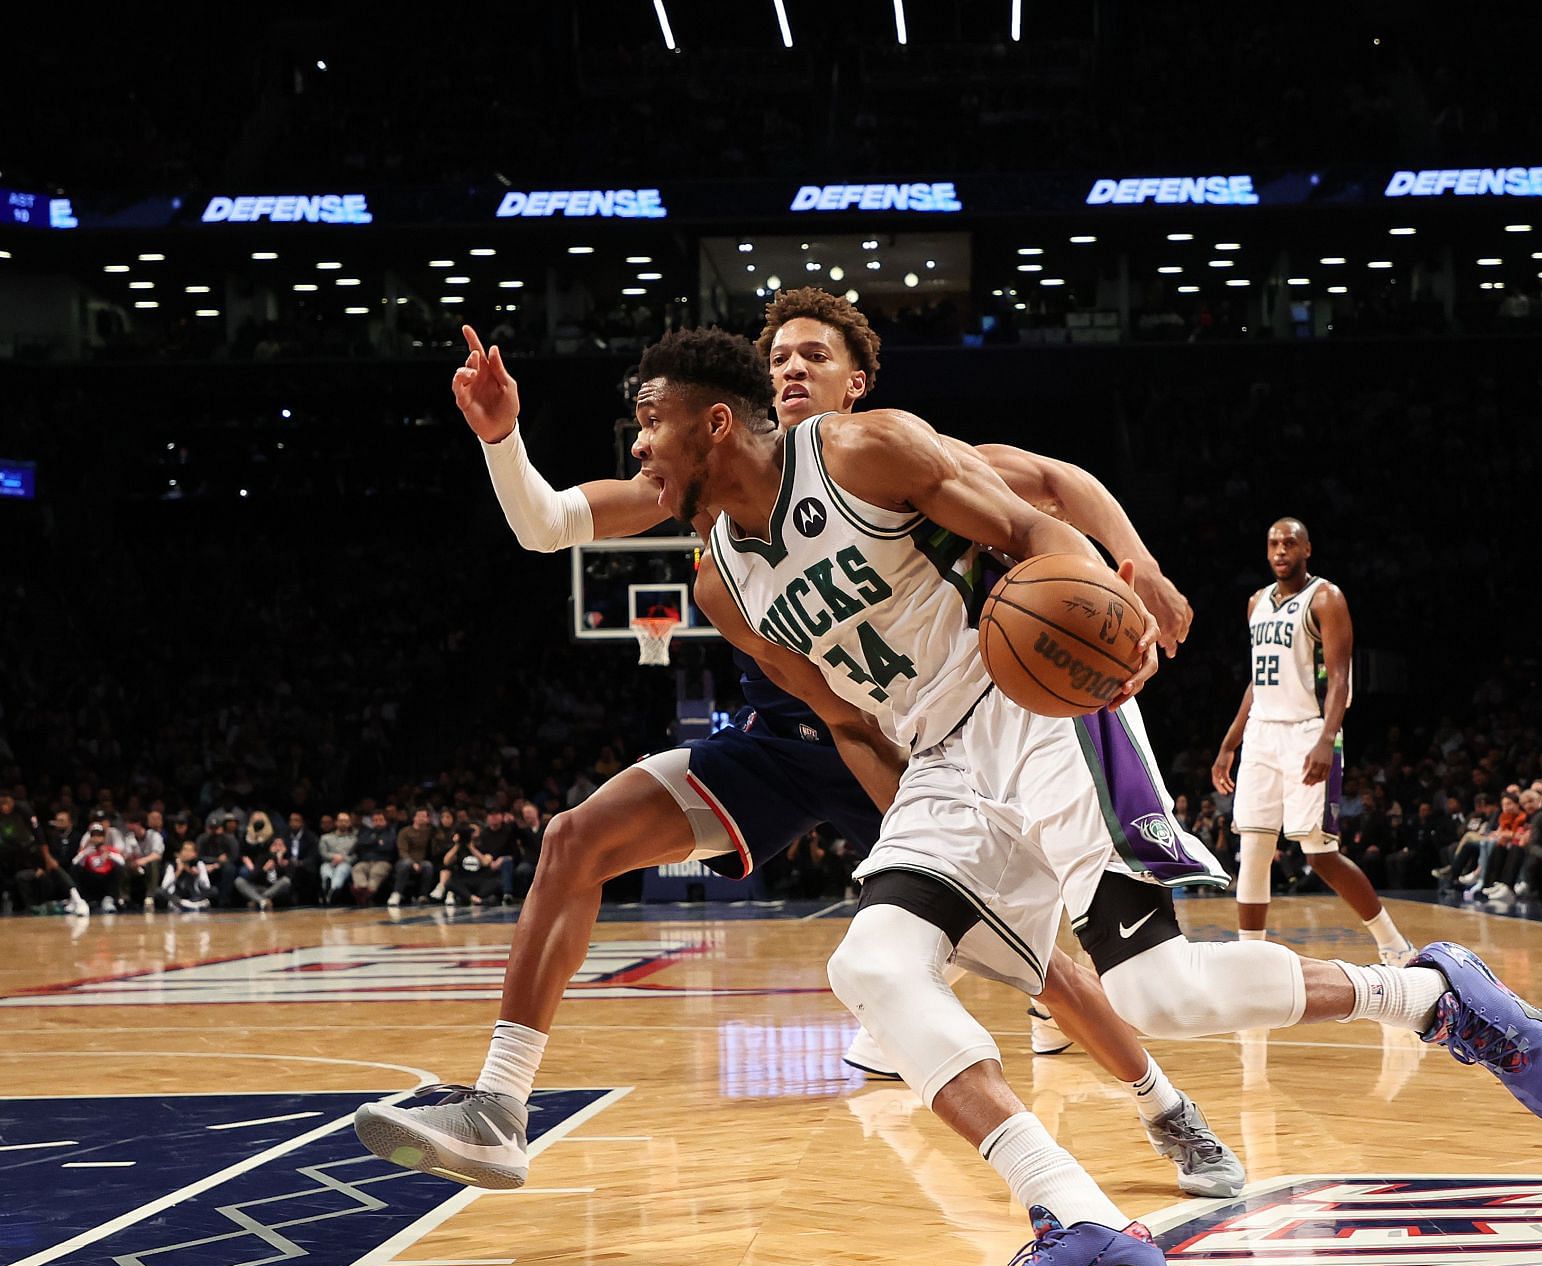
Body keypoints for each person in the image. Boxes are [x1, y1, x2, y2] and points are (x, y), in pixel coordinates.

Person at [391, 325, 1542, 1266]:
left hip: (1043, 706)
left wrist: (1102, 631)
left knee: (1152, 990)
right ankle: (1087, 1229)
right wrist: (917, 828)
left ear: (713, 424)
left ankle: (1423, 997)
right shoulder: (719, 586)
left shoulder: (862, 448)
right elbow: (848, 716)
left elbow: (1035, 524)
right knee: (872, 964)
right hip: (945, 759)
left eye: (646, 423)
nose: (635, 448)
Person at [358, 300, 1247, 1212]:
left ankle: (1164, 1104)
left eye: (810, 357)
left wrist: (1131, 577)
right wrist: (505, 439)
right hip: (795, 738)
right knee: (576, 838)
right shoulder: (709, 521)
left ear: (853, 384)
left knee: (1034, 962)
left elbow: (1053, 493)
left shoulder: (881, 454)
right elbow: (547, 521)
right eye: (774, 356)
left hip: (922, 736)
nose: (787, 369)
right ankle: (503, 1103)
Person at [1212, 519, 1415, 963]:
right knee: (1254, 849)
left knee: (1320, 854)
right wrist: (1230, 742)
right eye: (1273, 544)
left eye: (1289, 543)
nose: (1280, 550)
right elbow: (1256, 681)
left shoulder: (1326, 598)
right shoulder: (1255, 603)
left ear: (1306, 549)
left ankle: (1394, 945)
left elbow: (1341, 678)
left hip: (1307, 731)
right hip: (1262, 735)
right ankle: (1252, 959)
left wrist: (1327, 739)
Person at [393, 807, 437, 904]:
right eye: (419, 816)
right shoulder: (405, 831)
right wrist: (413, 863)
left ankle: (423, 895)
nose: (422, 818)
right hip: (405, 860)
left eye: (424, 816)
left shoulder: (430, 832)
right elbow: (402, 851)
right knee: (405, 864)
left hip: (421, 862)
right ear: (414, 818)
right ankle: (396, 893)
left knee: (428, 866)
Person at [318, 811, 356, 904]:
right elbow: (322, 853)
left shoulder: (354, 839)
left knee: (341, 871)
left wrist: (342, 858)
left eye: (346, 821)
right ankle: (328, 888)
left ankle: (333, 890)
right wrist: (334, 857)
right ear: (336, 822)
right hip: (329, 862)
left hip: (345, 863)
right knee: (325, 870)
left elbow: (355, 856)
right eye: (341, 820)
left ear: (350, 823)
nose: (343, 823)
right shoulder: (325, 838)